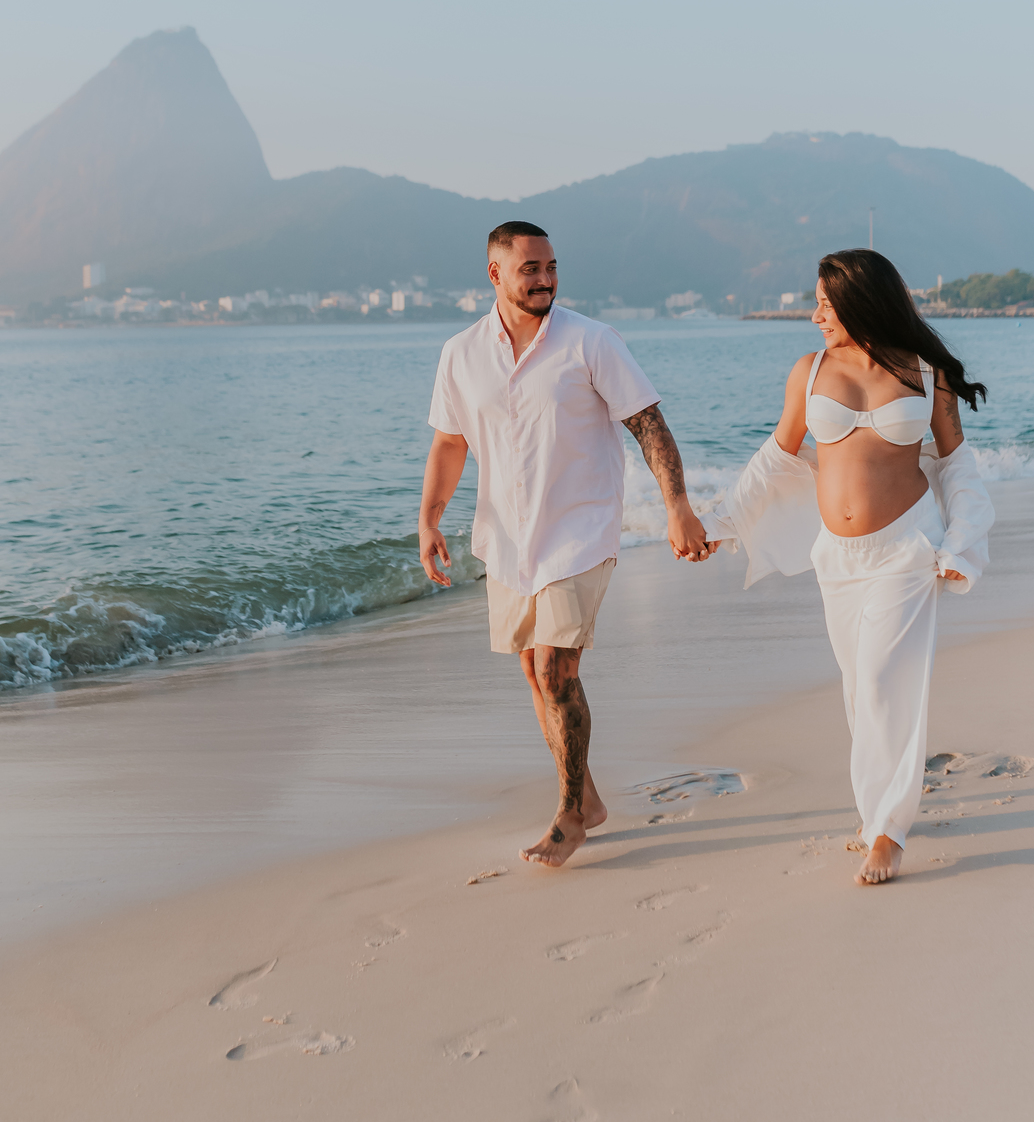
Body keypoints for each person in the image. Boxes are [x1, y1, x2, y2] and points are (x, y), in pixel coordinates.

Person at [418, 222, 713, 869]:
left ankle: (569, 815)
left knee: (556, 669)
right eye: (530, 268)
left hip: (581, 532)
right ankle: (591, 799)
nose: (546, 278)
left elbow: (648, 423)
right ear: (495, 275)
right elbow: (449, 442)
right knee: (532, 670)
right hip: (507, 539)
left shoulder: (591, 342)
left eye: (551, 266)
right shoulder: (461, 355)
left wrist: (678, 508)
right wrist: (430, 519)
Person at [704, 249, 994, 887]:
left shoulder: (927, 373)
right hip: (838, 557)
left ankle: (890, 830)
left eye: (825, 305)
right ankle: (873, 815)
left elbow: (955, 465)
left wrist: (962, 543)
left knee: (886, 677)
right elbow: (775, 456)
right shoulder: (809, 372)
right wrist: (720, 523)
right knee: (859, 688)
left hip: (908, 547)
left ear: (861, 303)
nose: (814, 316)